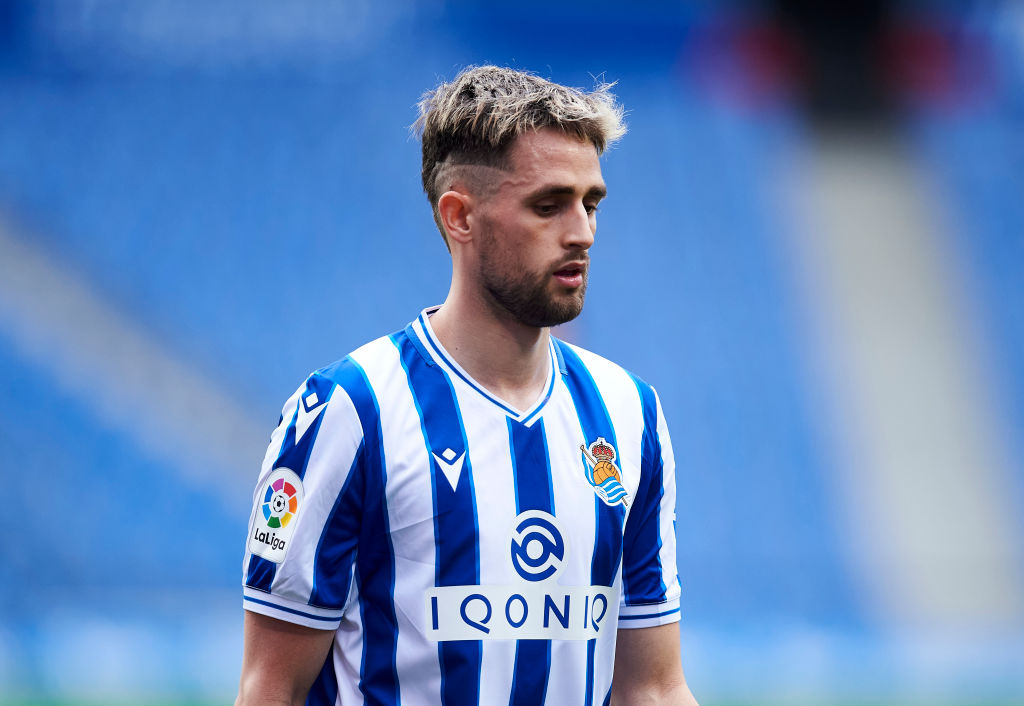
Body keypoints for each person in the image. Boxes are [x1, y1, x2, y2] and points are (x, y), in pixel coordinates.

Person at [236, 65, 699, 706]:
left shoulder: (630, 412)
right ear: (459, 217)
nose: (582, 233)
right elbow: (272, 689)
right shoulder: (351, 409)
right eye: (548, 205)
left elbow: (653, 688)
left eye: (590, 203)